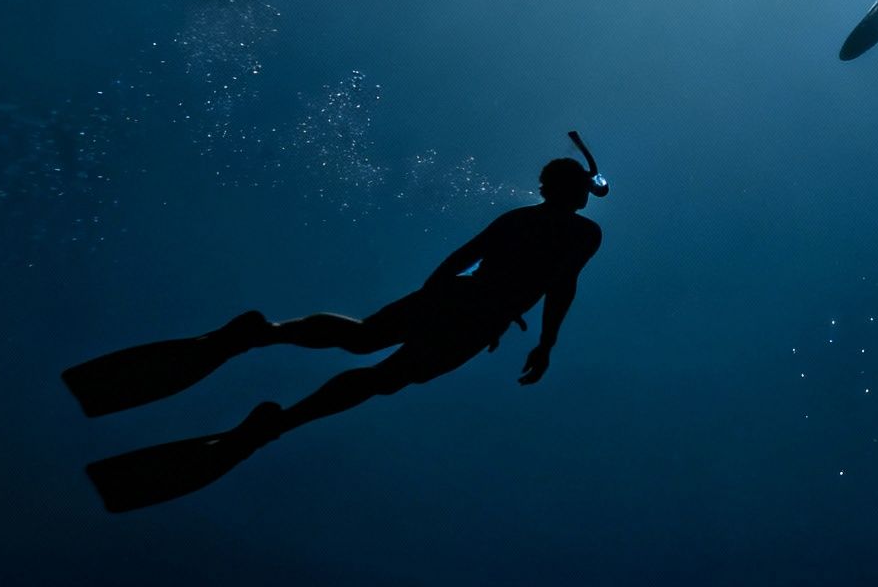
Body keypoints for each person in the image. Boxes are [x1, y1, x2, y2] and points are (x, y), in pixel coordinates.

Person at [65, 133, 608, 512]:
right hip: (473, 317)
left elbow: (458, 259)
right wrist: (546, 342)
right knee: (382, 376)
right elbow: (561, 286)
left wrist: (430, 296)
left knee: (365, 342)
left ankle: (264, 335)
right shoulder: (583, 235)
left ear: (547, 190)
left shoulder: (518, 218)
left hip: (457, 301)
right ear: (575, 193)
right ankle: (276, 419)